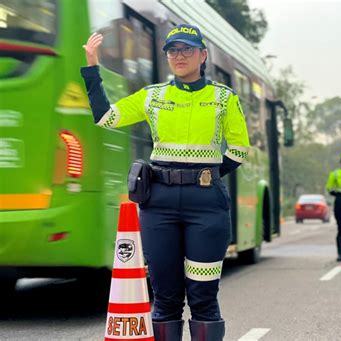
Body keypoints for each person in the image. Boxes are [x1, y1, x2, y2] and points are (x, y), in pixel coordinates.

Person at [80, 24, 250, 341]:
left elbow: (239, 150)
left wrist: (206, 177)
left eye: (187, 49)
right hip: (159, 205)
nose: (179, 56)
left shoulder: (224, 99)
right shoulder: (153, 96)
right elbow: (106, 117)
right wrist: (92, 68)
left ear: (203, 55)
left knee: (203, 297)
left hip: (207, 207)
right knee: (166, 298)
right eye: (173, 50)